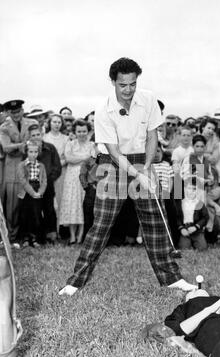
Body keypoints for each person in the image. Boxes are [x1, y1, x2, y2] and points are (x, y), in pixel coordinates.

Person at [59, 57, 197, 296]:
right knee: (101, 224)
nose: (128, 90)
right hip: (112, 164)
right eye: (123, 85)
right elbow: (113, 151)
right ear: (113, 81)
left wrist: (145, 167)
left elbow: (153, 135)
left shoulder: (149, 99)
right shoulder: (103, 110)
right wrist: (136, 173)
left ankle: (172, 278)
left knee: (155, 218)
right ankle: (75, 282)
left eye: (132, 84)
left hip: (142, 159)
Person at [0, 100, 38, 247]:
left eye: (19, 111)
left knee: (32, 204)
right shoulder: (4, 127)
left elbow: (37, 140)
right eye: (13, 112)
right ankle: (12, 236)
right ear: (8, 113)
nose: (16, 115)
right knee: (13, 205)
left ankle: (30, 236)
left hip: (31, 168)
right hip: (13, 169)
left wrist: (25, 145)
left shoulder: (32, 122)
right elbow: (6, 148)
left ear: (23, 110)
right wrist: (23, 145)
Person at [59, 119, 94, 245]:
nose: (82, 133)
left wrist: (79, 159)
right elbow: (68, 158)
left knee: (83, 205)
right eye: (79, 131)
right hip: (71, 178)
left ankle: (81, 236)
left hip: (86, 177)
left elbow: (92, 161)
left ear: (88, 131)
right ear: (75, 131)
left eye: (84, 131)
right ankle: (72, 236)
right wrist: (84, 158)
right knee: (72, 204)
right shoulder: (70, 143)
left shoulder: (92, 145)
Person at [28, 124, 62, 243]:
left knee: (49, 210)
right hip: (33, 186)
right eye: (33, 135)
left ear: (42, 134)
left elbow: (57, 167)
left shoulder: (50, 148)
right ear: (29, 137)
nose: (36, 137)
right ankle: (38, 237)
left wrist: (49, 180)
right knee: (35, 211)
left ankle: (52, 236)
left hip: (48, 185)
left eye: (38, 134)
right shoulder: (27, 150)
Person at [17, 140, 47, 247]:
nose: (33, 154)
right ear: (26, 152)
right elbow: (23, 181)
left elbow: (44, 181)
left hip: (37, 190)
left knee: (36, 215)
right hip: (26, 192)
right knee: (25, 215)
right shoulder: (21, 165)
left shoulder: (41, 166)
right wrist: (32, 193)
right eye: (31, 152)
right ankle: (25, 238)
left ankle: (34, 238)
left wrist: (39, 192)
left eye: (35, 152)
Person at [43, 114, 69, 234]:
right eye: (54, 122)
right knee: (49, 201)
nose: (56, 124)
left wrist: (58, 164)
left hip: (62, 172)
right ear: (49, 123)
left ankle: (61, 229)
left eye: (59, 122)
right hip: (48, 173)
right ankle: (51, 229)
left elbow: (67, 156)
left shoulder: (66, 138)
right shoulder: (44, 138)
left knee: (61, 199)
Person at [176, 180, 209, 251]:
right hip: (185, 229)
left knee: (202, 248)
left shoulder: (200, 203)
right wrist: (181, 228)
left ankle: (197, 242)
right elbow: (177, 217)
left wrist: (196, 227)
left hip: (196, 230)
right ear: (185, 189)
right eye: (189, 188)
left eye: (194, 189)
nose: (191, 191)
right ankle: (187, 242)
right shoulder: (180, 203)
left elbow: (205, 217)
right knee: (184, 248)